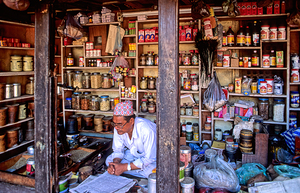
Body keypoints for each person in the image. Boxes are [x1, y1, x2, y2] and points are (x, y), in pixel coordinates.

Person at [106, 101, 156, 178]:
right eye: (114, 123)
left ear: (131, 121)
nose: (116, 127)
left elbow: (149, 159)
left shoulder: (146, 130)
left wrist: (125, 167)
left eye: (119, 124)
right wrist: (115, 164)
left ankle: (125, 170)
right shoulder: (118, 128)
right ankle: (123, 170)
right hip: (134, 154)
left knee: (151, 172)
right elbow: (118, 150)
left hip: (152, 157)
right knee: (108, 161)